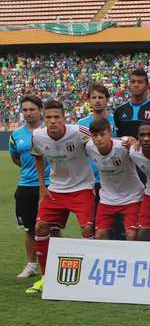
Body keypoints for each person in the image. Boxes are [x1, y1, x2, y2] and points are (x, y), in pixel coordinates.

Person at [27, 100, 96, 295]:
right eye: (48, 117)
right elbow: (37, 156)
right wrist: (42, 186)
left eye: (57, 117)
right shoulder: (38, 136)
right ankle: (45, 277)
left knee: (87, 228)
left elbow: (102, 140)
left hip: (82, 187)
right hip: (56, 189)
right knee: (40, 227)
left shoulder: (79, 132)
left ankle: (89, 277)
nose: (52, 121)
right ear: (43, 118)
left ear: (64, 118)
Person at [9, 95, 49, 280]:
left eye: (32, 109)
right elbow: (16, 158)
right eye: (25, 110)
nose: (28, 113)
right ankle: (31, 265)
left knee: (51, 227)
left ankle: (53, 263)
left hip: (49, 185)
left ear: (40, 110)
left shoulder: (50, 129)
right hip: (25, 187)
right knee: (29, 229)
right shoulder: (16, 135)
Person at [85, 118, 144, 241]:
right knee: (100, 235)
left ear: (110, 133)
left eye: (102, 134)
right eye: (95, 136)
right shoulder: (89, 147)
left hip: (132, 197)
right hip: (108, 198)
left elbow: (144, 152)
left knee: (131, 235)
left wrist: (135, 141)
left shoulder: (123, 147)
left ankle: (132, 260)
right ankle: (105, 260)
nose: (99, 139)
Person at [78, 83, 121, 239]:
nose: (97, 101)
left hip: (117, 180)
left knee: (118, 229)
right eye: (94, 97)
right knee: (97, 228)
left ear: (107, 100)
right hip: (92, 181)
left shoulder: (117, 120)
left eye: (101, 97)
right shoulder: (81, 124)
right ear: (89, 100)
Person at [113, 68, 150, 139]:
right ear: (129, 85)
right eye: (133, 82)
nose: (136, 85)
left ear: (146, 86)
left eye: (140, 82)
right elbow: (116, 139)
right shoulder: (119, 110)